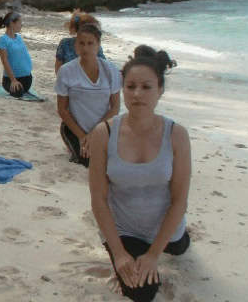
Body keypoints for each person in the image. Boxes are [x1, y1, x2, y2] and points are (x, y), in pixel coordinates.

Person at [87, 45, 189, 302]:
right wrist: (119, 254)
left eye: (146, 87)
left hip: (164, 225)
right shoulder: (104, 133)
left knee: (179, 247)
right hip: (124, 227)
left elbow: (179, 199)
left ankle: (178, 239)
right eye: (130, 86)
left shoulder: (177, 135)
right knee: (140, 292)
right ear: (123, 89)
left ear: (160, 90)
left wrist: (154, 254)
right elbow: (99, 198)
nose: (137, 94)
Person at [55, 24, 120, 167]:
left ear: (98, 45)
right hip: (75, 129)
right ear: (76, 45)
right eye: (81, 43)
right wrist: (84, 136)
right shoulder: (66, 71)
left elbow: (115, 108)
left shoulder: (111, 71)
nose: (85, 48)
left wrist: (94, 134)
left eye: (90, 43)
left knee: (114, 161)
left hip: (103, 127)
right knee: (89, 161)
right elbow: (62, 110)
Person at [0, 11, 33, 98]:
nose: (21, 25)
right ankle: (13, 84)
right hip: (10, 79)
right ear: (12, 23)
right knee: (18, 93)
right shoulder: (3, 40)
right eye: (20, 22)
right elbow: (4, 61)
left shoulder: (19, 38)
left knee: (21, 91)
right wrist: (13, 80)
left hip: (27, 78)